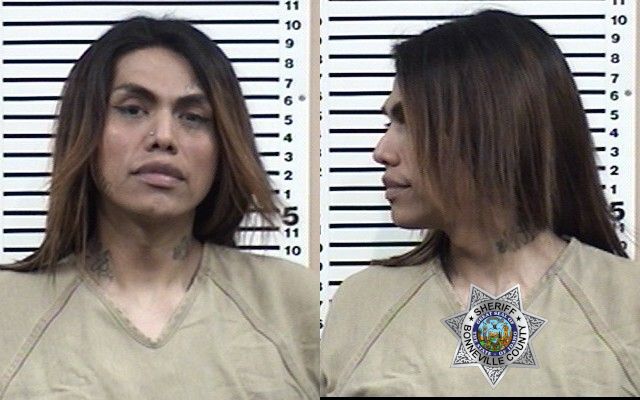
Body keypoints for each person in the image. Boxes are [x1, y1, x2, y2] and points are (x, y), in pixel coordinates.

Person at [321, 9, 640, 396]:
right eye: (389, 123)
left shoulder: (626, 306)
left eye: (409, 122)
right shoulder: (363, 305)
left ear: (491, 128)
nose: (382, 151)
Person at [0, 17, 318, 399]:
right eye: (133, 109)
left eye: (193, 117)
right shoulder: (10, 309)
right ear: (85, 128)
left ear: (223, 145)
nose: (164, 137)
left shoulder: (289, 301)